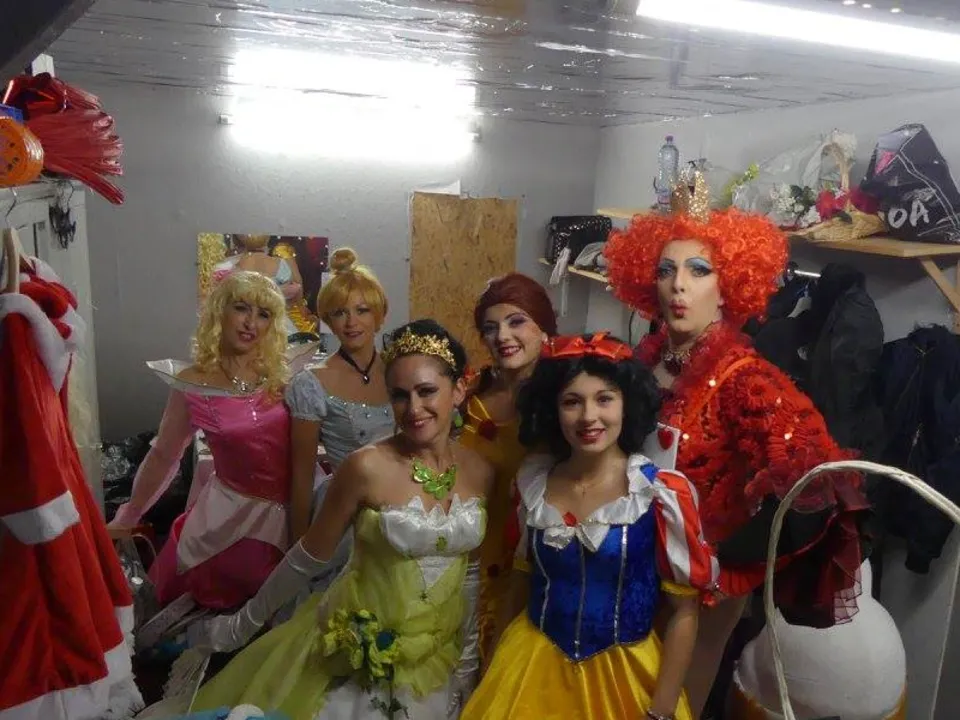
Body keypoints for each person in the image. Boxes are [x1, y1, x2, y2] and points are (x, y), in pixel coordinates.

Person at [603, 173, 870, 718]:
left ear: (729, 286)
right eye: (666, 270)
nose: (678, 286)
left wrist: (727, 561)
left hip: (702, 587)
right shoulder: (645, 363)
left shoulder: (746, 379)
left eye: (698, 270)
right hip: (630, 561)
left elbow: (817, 480)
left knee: (673, 702)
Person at [185, 319, 493, 720]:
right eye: (399, 396)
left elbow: (470, 575)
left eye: (427, 391)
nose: (414, 409)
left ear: (459, 390)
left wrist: (467, 667)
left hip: (438, 664)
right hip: (357, 656)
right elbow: (308, 557)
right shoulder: (366, 467)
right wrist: (242, 624)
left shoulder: (480, 472)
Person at [462, 332, 717, 720]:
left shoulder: (659, 493)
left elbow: (685, 611)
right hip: (530, 671)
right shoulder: (532, 485)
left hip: (626, 679)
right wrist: (493, 668)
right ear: (553, 409)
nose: (588, 417)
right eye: (572, 401)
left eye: (604, 399)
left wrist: (663, 707)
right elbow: (520, 585)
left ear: (627, 404)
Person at [108, 271, 292, 635]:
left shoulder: (282, 373)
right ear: (220, 311)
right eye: (241, 308)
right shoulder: (193, 383)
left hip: (295, 513)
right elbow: (164, 455)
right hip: (229, 523)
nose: (251, 323)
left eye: (263, 314)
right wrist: (130, 513)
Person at [458, 272, 557, 663]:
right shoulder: (468, 397)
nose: (503, 336)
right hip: (466, 563)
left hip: (532, 576)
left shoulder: (566, 403)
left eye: (516, 322)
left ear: (544, 327)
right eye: (490, 328)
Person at [285, 247, 394, 544]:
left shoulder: (400, 372)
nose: (351, 322)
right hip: (346, 525)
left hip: (405, 513)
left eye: (362, 310)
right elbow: (302, 476)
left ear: (379, 316)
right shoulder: (311, 384)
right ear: (328, 320)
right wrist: (298, 548)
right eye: (340, 312)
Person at [213, 234, 304, 337]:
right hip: (278, 325)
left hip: (245, 326)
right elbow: (297, 298)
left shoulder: (233, 266)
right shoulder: (281, 263)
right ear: (267, 239)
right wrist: (280, 295)